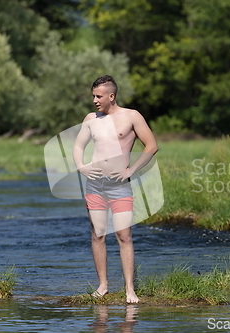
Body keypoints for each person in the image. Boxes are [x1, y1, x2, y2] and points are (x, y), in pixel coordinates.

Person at [73, 75, 158, 303]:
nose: (94, 100)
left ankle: (130, 289)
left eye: (98, 96)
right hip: (95, 186)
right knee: (97, 234)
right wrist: (81, 166)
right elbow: (78, 145)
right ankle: (103, 286)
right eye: (93, 96)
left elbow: (151, 146)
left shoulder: (131, 116)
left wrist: (132, 170)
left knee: (124, 235)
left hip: (120, 186)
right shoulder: (91, 119)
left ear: (112, 96)